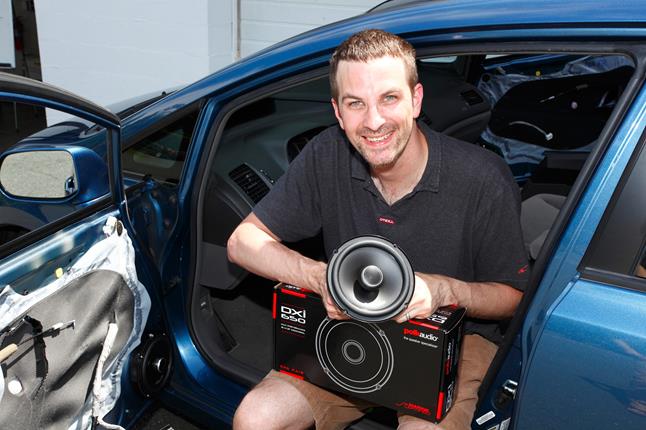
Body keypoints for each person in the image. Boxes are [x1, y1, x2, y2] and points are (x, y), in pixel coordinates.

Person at [227, 29, 528, 430]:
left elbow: (513, 298)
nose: (373, 122)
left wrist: (444, 291)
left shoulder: (482, 178)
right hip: (350, 323)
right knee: (256, 418)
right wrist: (321, 278)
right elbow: (242, 242)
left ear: (416, 99)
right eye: (356, 103)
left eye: (389, 98)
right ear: (337, 112)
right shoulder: (326, 154)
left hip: (452, 336)